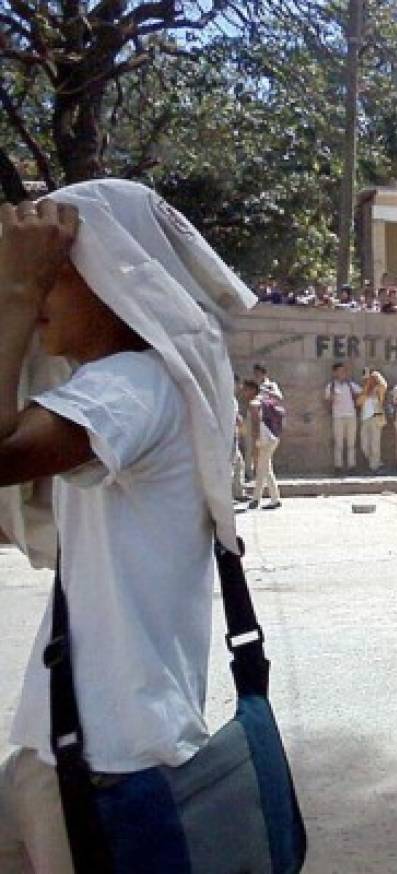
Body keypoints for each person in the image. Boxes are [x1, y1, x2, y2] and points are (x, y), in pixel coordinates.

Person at [0, 182, 258, 870]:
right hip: (79, 748)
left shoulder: (132, 389)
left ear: (112, 280)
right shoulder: (130, 390)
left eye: (58, 272)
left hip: (101, 763)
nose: (44, 290)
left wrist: (17, 292)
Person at [240, 378, 283, 509]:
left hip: (264, 440)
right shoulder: (264, 399)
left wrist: (255, 444)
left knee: (261, 470)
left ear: (252, 390)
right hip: (272, 438)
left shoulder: (254, 403)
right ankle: (272, 498)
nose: (243, 393)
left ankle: (257, 499)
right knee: (266, 469)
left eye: (246, 390)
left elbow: (256, 425)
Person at [325, 362, 361, 473]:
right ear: (335, 373)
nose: (342, 373)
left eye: (344, 371)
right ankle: (338, 466)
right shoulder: (331, 386)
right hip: (338, 416)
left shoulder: (351, 385)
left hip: (351, 416)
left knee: (351, 443)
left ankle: (352, 466)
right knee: (338, 443)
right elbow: (327, 400)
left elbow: (362, 393)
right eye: (340, 371)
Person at [357, 368, 388, 474]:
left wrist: (377, 375)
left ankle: (374, 467)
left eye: (369, 379)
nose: (367, 381)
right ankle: (376, 463)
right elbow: (359, 402)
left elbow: (384, 385)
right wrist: (366, 390)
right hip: (365, 420)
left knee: (375, 444)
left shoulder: (378, 391)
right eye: (365, 380)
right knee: (364, 445)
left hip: (375, 418)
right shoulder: (363, 392)